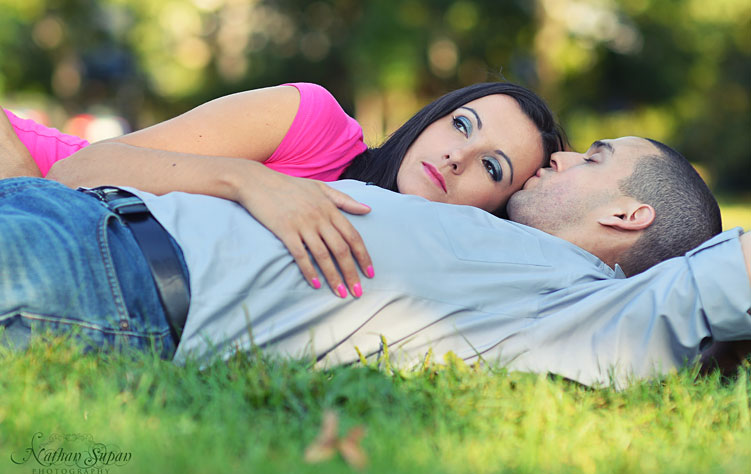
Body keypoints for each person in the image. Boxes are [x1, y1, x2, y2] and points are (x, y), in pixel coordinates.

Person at [1, 135, 749, 388]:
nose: (558, 157)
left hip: (103, 275)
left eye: (593, 158)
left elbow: (730, 274)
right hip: (79, 215)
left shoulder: (578, 306)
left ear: (627, 214)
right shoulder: (499, 244)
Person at [3, 82, 565, 299]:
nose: (456, 155)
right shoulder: (315, 122)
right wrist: (248, 180)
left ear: (497, 211)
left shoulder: (433, 272)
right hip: (28, 182)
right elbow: (77, 172)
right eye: (461, 124)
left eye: (492, 168)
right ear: (433, 117)